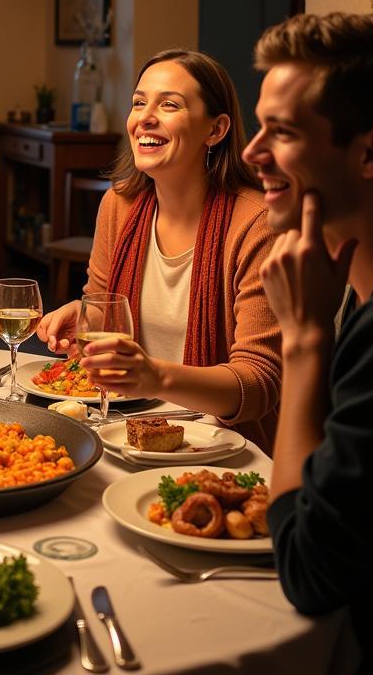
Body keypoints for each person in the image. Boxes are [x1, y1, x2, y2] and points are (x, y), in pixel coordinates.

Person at [242, 12, 373, 671]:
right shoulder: (363, 288)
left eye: (280, 133)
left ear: (372, 153)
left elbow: (308, 572)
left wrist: (305, 339)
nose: (253, 153)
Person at [37, 49, 281, 450]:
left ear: (216, 129)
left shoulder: (256, 224)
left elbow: (257, 384)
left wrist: (155, 377)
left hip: (224, 446)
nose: (145, 117)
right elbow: (106, 306)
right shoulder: (118, 206)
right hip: (126, 428)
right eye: (138, 102)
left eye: (169, 104)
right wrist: (82, 315)